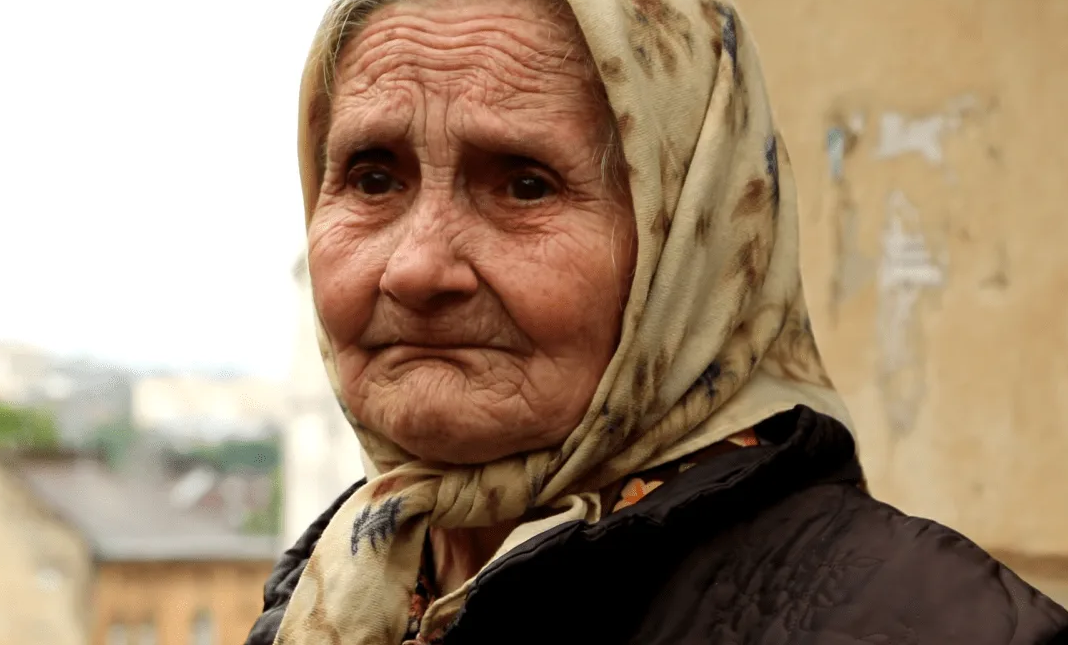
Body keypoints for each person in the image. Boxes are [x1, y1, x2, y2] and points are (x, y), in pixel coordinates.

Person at [246, 0, 1068, 643]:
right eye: (372, 177)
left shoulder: (945, 627)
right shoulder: (332, 596)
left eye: (524, 184)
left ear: (693, 247)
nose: (418, 267)